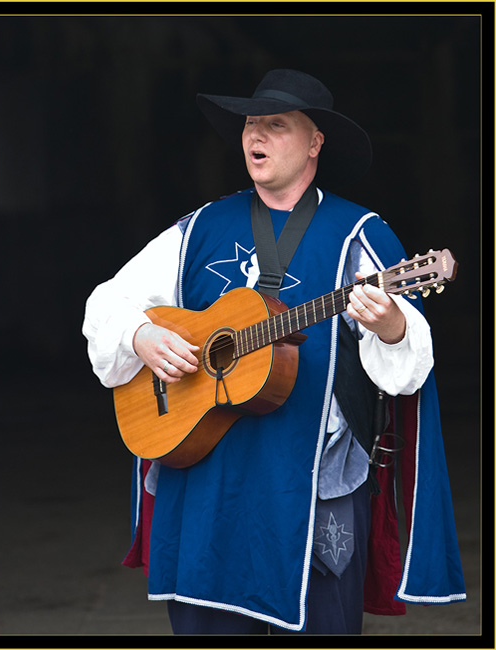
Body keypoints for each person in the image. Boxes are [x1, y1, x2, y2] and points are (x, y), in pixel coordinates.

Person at [82, 69, 465, 634]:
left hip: (310, 488)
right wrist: (141, 336)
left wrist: (389, 326)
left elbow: (408, 367)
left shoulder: (360, 233)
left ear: (315, 143)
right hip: (208, 483)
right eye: (250, 125)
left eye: (276, 125)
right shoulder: (200, 228)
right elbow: (106, 303)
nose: (254, 136)